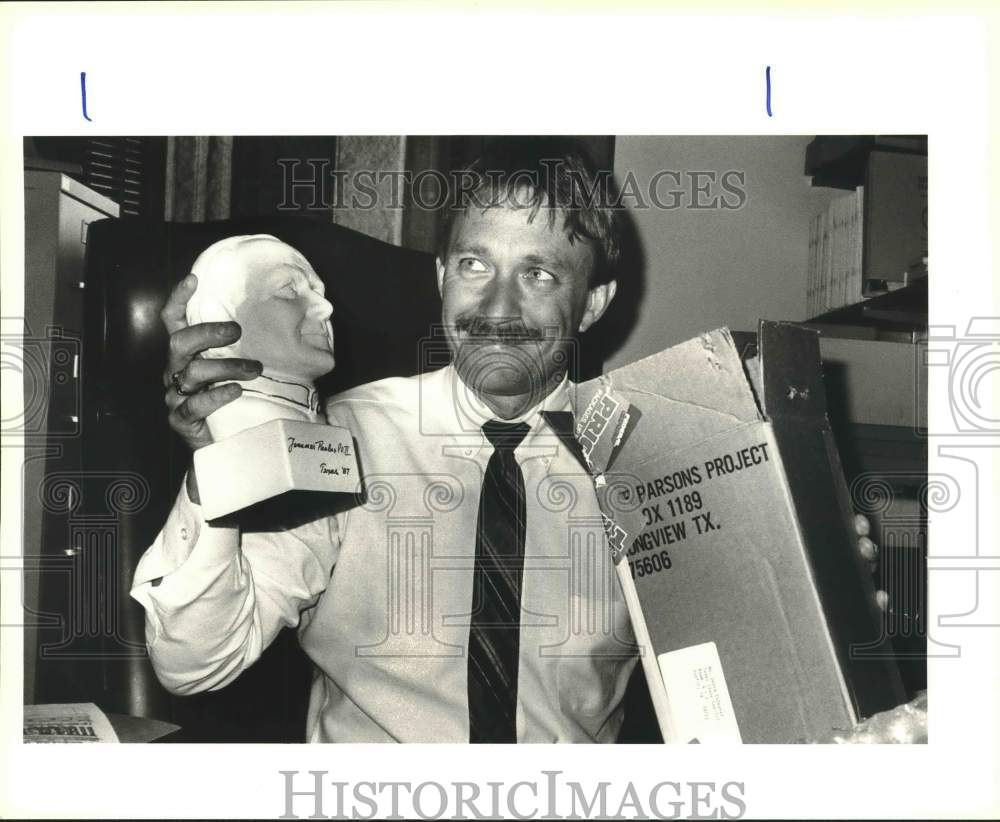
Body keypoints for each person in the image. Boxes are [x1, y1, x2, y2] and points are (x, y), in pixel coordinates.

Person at [131, 140, 885, 743]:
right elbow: (195, 665)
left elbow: (763, 687)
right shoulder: (337, 438)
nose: (496, 307)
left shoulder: (659, 462)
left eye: (539, 275)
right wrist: (221, 464)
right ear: (440, 277)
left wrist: (814, 577)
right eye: (473, 265)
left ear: (593, 304)